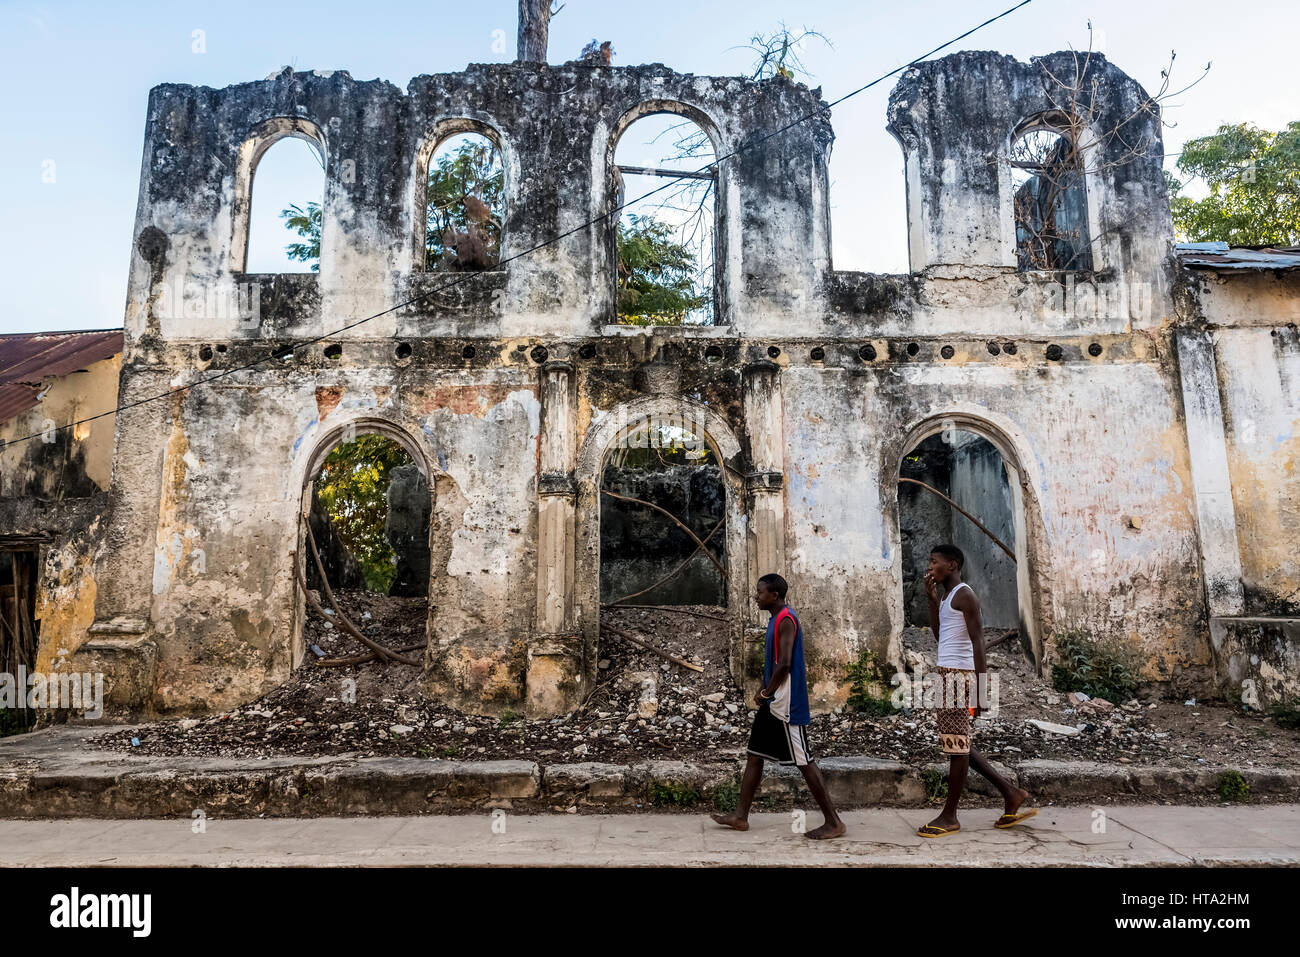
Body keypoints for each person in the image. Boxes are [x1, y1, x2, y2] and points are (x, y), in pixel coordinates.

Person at [710, 573, 845, 839]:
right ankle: (740, 816)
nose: (756, 596)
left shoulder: (786, 620)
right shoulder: (775, 619)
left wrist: (765, 692)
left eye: (760, 592)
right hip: (773, 700)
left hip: (785, 701)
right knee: (755, 754)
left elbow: (784, 664)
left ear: (774, 595)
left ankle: (834, 822)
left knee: (804, 759)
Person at [917, 544, 1036, 837]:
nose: (930, 567)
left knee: (957, 746)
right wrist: (932, 601)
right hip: (947, 674)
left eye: (935, 562)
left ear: (953, 564)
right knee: (957, 742)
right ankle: (1010, 793)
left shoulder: (965, 594)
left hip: (960, 676)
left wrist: (982, 692)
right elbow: (940, 636)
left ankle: (950, 816)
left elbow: (979, 643)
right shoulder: (947, 597)